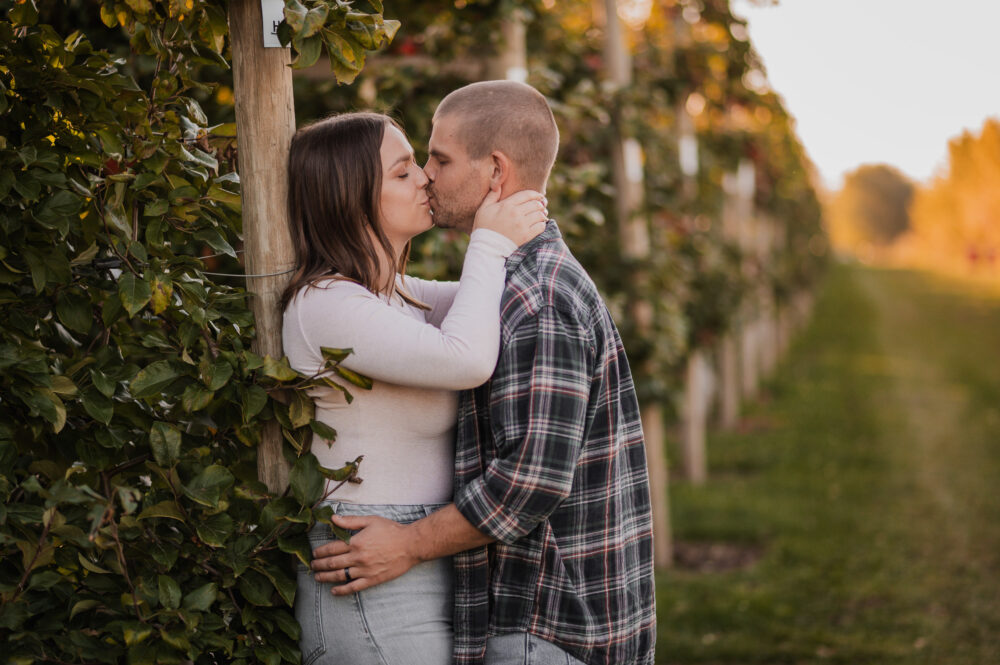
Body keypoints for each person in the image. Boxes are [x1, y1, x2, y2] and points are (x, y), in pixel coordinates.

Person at [311, 82, 657, 665]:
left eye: (439, 159)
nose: (426, 175)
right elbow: (401, 303)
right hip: (551, 618)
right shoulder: (516, 285)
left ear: (495, 171)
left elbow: (531, 482)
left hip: (548, 623)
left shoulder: (536, 298)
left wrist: (410, 544)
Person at [281, 111, 548, 665]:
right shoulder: (326, 304)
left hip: (420, 544)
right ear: (349, 198)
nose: (425, 179)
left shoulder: (397, 295)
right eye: (403, 173)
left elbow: (496, 305)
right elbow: (468, 357)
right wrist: (488, 244)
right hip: (365, 558)